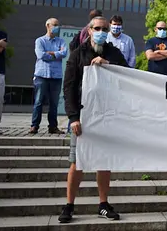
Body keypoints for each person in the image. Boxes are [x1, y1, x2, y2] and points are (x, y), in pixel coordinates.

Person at [59, 16, 127, 223]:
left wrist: (107, 64)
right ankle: (69, 205)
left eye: (105, 28)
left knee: (104, 162)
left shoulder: (113, 53)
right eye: (97, 28)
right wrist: (73, 118)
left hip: (107, 114)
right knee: (77, 162)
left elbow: (127, 75)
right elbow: (69, 86)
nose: (102, 31)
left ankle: (103, 204)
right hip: (83, 115)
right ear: (89, 30)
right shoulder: (78, 54)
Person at [30, 18, 67, 135]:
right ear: (47, 25)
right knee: (38, 102)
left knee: (54, 103)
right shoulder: (40, 40)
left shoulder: (61, 41)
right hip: (41, 75)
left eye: (57, 25)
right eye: (54, 25)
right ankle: (34, 126)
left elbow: (64, 53)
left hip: (56, 76)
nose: (56, 27)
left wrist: (50, 53)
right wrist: (56, 54)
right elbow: (41, 55)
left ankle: (53, 126)